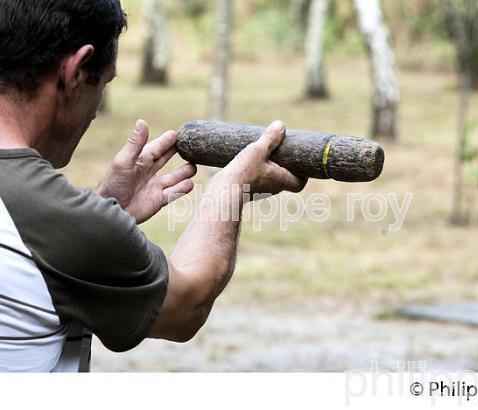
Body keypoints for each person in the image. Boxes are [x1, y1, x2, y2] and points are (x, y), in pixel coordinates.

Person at [0, 0, 306, 371]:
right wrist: (232, 187)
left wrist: (101, 209)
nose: (95, 110)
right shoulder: (54, 221)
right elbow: (186, 304)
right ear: (76, 70)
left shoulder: (50, 226)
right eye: (105, 83)